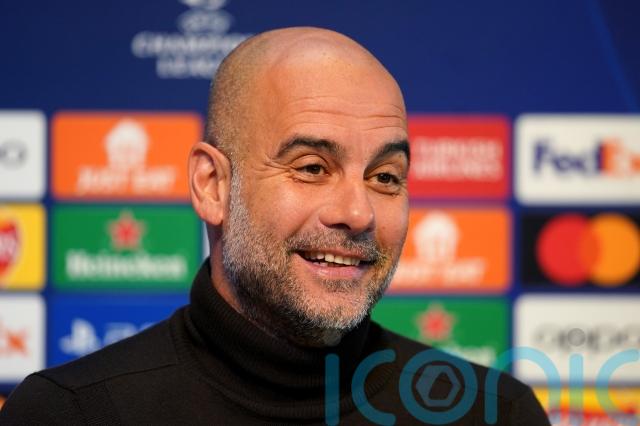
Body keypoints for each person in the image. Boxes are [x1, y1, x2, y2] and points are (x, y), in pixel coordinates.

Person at [0, 27, 550, 425]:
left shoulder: (493, 413)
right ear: (212, 185)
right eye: (311, 168)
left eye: (385, 177)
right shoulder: (71, 413)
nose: (358, 213)